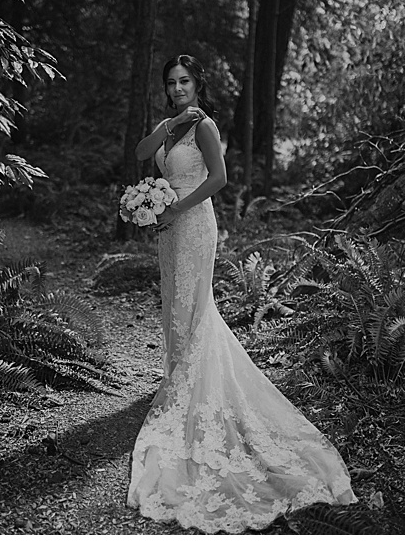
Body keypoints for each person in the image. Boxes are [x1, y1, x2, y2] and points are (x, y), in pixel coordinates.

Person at [128, 55, 355, 531]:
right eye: (171, 83)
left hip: (194, 225)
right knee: (174, 305)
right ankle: (177, 377)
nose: (178, 88)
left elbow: (219, 180)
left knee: (194, 305)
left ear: (198, 83)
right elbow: (140, 154)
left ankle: (192, 389)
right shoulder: (170, 125)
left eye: (185, 82)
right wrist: (169, 127)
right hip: (170, 230)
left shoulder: (206, 127)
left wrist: (175, 208)